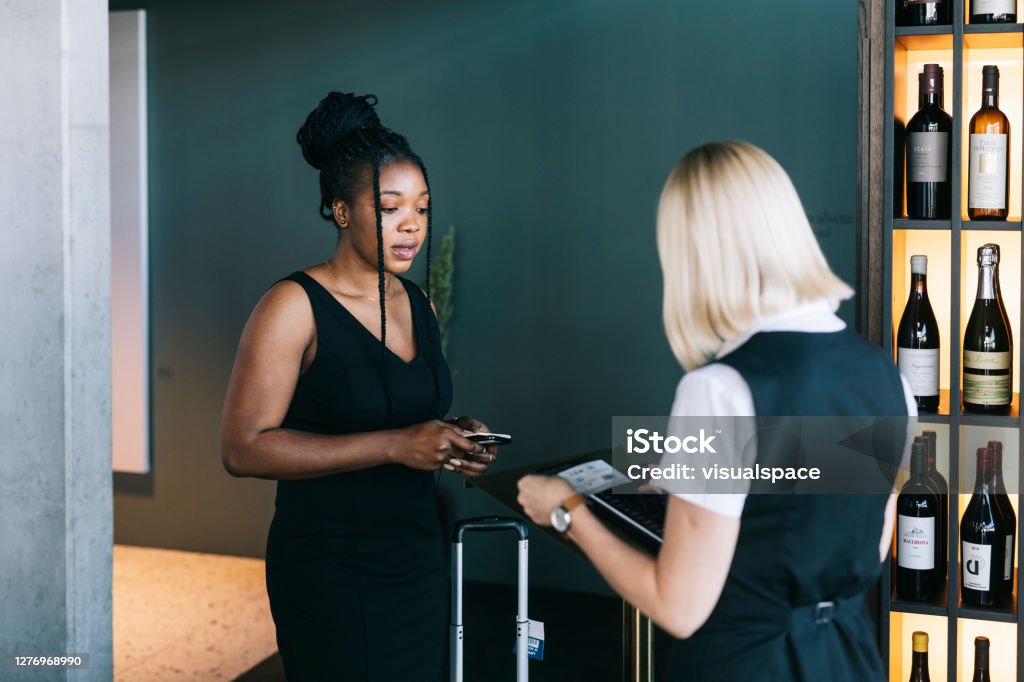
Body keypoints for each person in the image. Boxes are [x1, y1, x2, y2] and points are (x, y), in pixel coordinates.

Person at [517, 141, 915, 681]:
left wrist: (568, 511)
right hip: (847, 660)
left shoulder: (719, 390)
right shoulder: (888, 378)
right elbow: (867, 543)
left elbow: (679, 608)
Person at [220, 91, 495, 681]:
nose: (412, 225)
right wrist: (396, 445)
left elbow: (408, 409)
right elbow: (242, 448)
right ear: (342, 211)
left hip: (416, 554)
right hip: (329, 567)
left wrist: (454, 436)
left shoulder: (417, 301)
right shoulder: (293, 306)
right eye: (391, 207)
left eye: (422, 208)